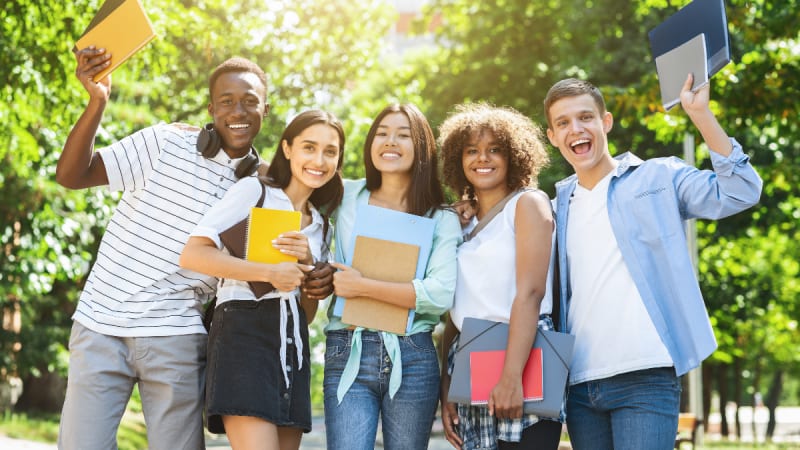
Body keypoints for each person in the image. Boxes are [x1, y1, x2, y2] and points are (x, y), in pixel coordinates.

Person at [54, 50, 269, 450]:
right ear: (211, 108)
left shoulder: (261, 189)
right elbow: (71, 175)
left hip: (177, 336)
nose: (238, 110)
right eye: (227, 101)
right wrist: (97, 100)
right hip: (102, 323)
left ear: (266, 109)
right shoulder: (165, 141)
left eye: (250, 101)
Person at [544, 76, 762, 449]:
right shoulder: (553, 208)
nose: (576, 130)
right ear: (551, 136)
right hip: (580, 386)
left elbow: (740, 189)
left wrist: (701, 114)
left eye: (585, 118)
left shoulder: (658, 177)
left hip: (645, 376)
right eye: (563, 123)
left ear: (606, 122)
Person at [179, 109, 345, 450]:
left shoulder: (321, 224)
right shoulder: (255, 191)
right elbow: (193, 254)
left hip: (292, 344)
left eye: (330, 151)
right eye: (309, 147)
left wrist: (308, 266)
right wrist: (269, 272)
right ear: (287, 149)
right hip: (242, 335)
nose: (319, 160)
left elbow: (307, 313)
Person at [322, 103, 462, 450]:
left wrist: (361, 287)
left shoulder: (440, 218)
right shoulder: (345, 195)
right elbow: (295, 174)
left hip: (412, 354)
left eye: (403, 135)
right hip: (348, 349)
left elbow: (439, 295)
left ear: (421, 147)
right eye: (382, 133)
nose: (390, 141)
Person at [437, 103, 563, 450]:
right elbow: (454, 307)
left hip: (524, 352)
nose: (483, 158)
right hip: (470, 357)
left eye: (495, 149)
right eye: (472, 151)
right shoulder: (457, 222)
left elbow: (531, 294)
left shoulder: (528, 204)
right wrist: (447, 386)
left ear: (513, 156)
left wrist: (511, 376)